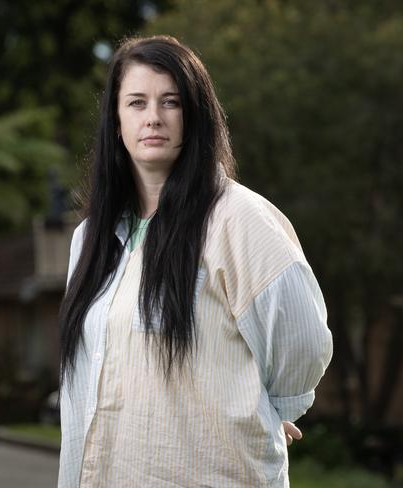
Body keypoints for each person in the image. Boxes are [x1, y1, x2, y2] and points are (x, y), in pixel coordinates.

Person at [57, 35, 332, 487]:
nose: (153, 118)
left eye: (171, 102)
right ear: (116, 120)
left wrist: (269, 408)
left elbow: (301, 339)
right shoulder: (89, 240)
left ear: (195, 116)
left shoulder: (238, 219)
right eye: (137, 103)